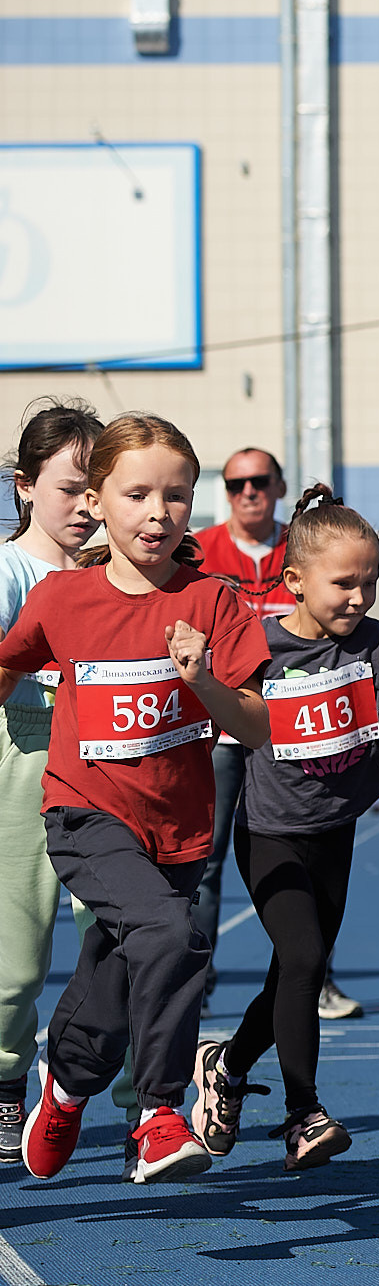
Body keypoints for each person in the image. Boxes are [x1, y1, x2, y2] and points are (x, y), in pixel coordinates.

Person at [6, 415, 270, 1183]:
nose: (158, 512)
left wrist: (203, 682)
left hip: (177, 830)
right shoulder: (61, 599)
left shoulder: (215, 603)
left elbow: (254, 726)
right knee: (175, 939)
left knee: (114, 980)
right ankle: (158, 1112)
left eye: (177, 496)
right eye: (138, 494)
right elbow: (8, 661)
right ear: (97, 501)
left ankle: (65, 1087)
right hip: (84, 814)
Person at [194, 486, 379, 1169]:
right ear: (295, 581)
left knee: (290, 977)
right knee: (304, 962)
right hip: (269, 832)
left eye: (370, 582)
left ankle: (227, 1065)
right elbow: (226, 720)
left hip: (337, 831)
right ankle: (303, 1111)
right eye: (343, 583)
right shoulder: (257, 645)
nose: (358, 597)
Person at [188, 447, 340, 1008]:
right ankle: (196, 982)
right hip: (225, 732)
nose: (247, 492)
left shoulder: (304, 547)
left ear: (278, 486)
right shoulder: (200, 552)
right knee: (205, 860)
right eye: (235, 484)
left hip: (298, 733)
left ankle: (317, 980)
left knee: (312, 852)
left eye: (258, 482)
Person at [0, 398, 102, 1169]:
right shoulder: (9, 572)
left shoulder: (119, 576)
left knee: (121, 943)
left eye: (97, 489)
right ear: (26, 485)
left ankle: (143, 1104)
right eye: (71, 488)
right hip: (24, 761)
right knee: (17, 965)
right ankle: (6, 1082)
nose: (86, 508)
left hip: (106, 767)